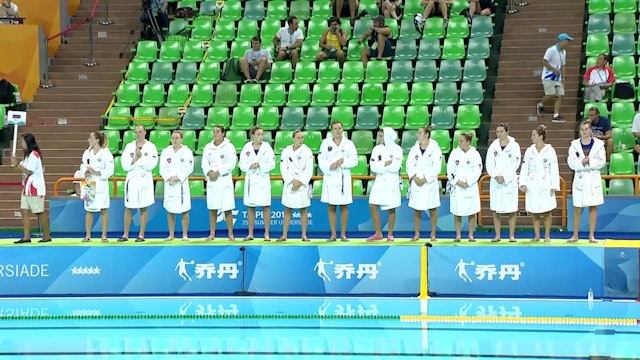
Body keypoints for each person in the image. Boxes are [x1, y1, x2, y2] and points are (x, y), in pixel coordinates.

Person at [318, 121, 359, 242]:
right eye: (335, 128)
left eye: (339, 128)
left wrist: (343, 161)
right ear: (332, 130)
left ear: (343, 129)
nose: (337, 130)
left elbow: (355, 160)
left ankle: (343, 234)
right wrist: (331, 165)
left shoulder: (349, 144)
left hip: (343, 176)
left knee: (344, 205)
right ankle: (333, 234)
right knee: (331, 206)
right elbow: (321, 159)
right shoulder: (325, 143)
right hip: (331, 176)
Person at [519, 125, 560, 242]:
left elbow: (554, 168)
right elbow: (525, 166)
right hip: (532, 183)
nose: (532, 137)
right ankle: (537, 235)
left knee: (547, 211)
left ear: (541, 137)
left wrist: (554, 185)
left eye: (534, 135)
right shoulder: (529, 151)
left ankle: (547, 235)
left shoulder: (550, 150)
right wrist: (523, 182)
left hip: (546, 183)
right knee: (534, 211)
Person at [567, 121, 606, 243]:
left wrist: (590, 162)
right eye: (582, 130)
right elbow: (571, 162)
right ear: (580, 131)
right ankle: (575, 235)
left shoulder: (599, 145)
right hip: (579, 178)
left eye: (586, 129)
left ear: (590, 131)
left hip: (592, 179)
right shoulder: (574, 145)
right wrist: (581, 163)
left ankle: (591, 235)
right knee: (577, 207)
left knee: (593, 207)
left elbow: (602, 162)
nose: (584, 132)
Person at [118, 125, 158, 243]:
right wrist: (135, 159)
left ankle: (141, 234)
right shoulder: (129, 146)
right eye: (136, 132)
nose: (138, 134)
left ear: (145, 132)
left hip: (144, 179)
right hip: (132, 179)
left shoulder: (151, 147)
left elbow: (152, 164)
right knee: (128, 207)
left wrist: (141, 159)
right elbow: (124, 166)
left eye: (140, 132)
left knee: (143, 207)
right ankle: (125, 234)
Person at [10, 133, 52, 244]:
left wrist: (17, 164)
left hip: (35, 188)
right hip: (26, 188)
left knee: (39, 212)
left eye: (22, 142)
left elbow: (28, 171)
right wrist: (15, 165)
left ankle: (47, 236)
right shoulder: (27, 156)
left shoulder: (34, 155)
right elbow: (20, 169)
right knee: (24, 211)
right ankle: (26, 236)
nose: (20, 144)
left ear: (28, 142)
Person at [239, 126, 276, 241]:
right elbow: (241, 163)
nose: (261, 136)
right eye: (258, 134)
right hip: (251, 180)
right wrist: (250, 166)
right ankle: (250, 233)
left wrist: (261, 166)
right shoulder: (247, 147)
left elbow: (272, 163)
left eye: (262, 134)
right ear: (253, 135)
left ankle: (266, 234)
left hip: (263, 178)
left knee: (265, 206)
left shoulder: (267, 147)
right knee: (251, 207)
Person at [486, 123, 521, 243]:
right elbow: (489, 163)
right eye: (497, 132)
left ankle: (511, 235)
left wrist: (505, 177)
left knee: (511, 209)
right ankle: (497, 235)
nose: (499, 134)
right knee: (496, 209)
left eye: (501, 131)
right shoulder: (493, 146)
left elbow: (515, 163)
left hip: (509, 181)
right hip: (496, 181)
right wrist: (496, 176)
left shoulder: (514, 146)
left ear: (507, 132)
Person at [406, 126, 442, 242]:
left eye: (420, 132)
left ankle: (433, 234)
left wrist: (425, 178)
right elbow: (409, 164)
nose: (418, 134)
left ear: (427, 134)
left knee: (432, 208)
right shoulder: (414, 148)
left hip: (429, 182)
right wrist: (414, 177)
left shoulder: (435, 148)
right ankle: (416, 234)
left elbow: (437, 166)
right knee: (417, 209)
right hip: (416, 181)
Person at [367, 128, 403, 242]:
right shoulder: (377, 149)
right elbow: (373, 167)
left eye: (381, 136)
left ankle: (390, 234)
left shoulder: (397, 149)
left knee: (391, 208)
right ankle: (378, 233)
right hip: (379, 180)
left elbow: (395, 167)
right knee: (372, 204)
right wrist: (385, 163)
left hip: (391, 181)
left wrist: (381, 166)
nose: (379, 138)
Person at [201, 125, 237, 241]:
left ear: (223, 133)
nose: (215, 133)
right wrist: (209, 172)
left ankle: (230, 234)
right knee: (213, 208)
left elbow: (231, 163)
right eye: (214, 132)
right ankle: (212, 234)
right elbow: (204, 163)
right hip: (212, 180)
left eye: (217, 132)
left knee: (227, 208)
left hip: (224, 179)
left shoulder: (229, 147)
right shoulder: (208, 147)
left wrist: (218, 172)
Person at [79, 131, 115, 243]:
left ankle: (104, 235)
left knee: (103, 209)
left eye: (91, 138)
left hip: (101, 183)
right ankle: (88, 235)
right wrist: (85, 171)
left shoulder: (106, 153)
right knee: (89, 210)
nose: (88, 140)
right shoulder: (87, 152)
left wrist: (97, 172)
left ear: (97, 140)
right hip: (89, 182)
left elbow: (110, 170)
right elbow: (82, 165)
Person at [447, 132, 482, 242]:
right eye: (459, 140)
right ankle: (458, 234)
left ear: (468, 142)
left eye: (461, 141)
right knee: (457, 212)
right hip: (458, 187)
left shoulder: (475, 154)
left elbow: (478, 170)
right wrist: (458, 181)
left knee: (472, 211)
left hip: (470, 187)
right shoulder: (454, 153)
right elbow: (450, 170)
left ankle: (471, 235)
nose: (459, 142)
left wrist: (468, 182)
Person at [280, 130, 314, 242]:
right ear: (293, 138)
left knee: (303, 209)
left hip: (302, 184)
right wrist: (291, 181)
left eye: (302, 137)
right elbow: (283, 168)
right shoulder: (286, 151)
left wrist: (300, 181)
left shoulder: (307, 151)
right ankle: (284, 235)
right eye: (298, 137)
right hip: (290, 183)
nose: (300, 139)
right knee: (288, 209)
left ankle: (304, 235)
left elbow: (309, 169)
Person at [160, 130, 194, 241]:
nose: (175, 140)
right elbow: (162, 168)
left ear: (182, 139)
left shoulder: (187, 151)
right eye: (173, 138)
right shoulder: (166, 151)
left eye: (177, 138)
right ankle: (171, 234)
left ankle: (185, 234)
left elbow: (189, 168)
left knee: (184, 209)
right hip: (170, 184)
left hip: (181, 184)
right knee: (170, 210)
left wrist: (178, 177)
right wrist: (169, 177)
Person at [536, 33, 573, 123]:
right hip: (548, 77)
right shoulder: (551, 50)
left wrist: (563, 78)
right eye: (567, 40)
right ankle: (540, 104)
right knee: (551, 94)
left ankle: (556, 115)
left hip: (558, 78)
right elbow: (544, 61)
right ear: (562, 41)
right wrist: (553, 69)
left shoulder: (563, 52)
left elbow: (563, 65)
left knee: (560, 95)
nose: (568, 43)